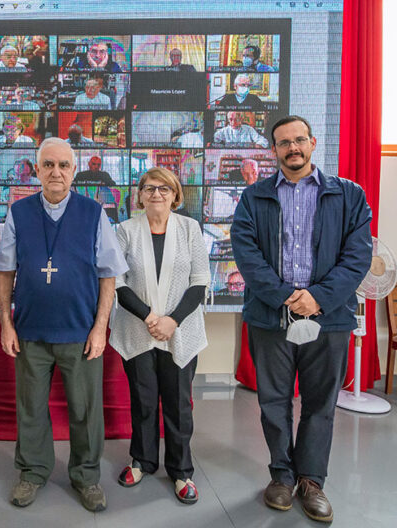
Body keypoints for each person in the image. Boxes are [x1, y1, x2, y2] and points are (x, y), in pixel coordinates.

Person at [231, 116, 372, 523]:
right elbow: (246, 254)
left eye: (299, 140)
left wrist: (318, 299)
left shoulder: (349, 195)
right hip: (269, 317)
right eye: (283, 143)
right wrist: (287, 297)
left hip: (329, 319)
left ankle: (311, 480)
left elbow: (358, 256)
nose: (292, 148)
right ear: (273, 150)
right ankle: (281, 475)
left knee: (319, 403)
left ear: (312, 143)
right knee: (273, 402)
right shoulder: (253, 197)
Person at [0, 137, 128, 513]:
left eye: (64, 165)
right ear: (37, 170)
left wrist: (100, 327)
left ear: (74, 170)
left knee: (86, 410)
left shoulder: (93, 213)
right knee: (31, 408)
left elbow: (108, 274)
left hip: (80, 332)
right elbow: (5, 271)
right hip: (30, 332)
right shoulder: (18, 212)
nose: (56, 172)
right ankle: (32, 472)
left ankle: (86, 476)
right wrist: (6, 323)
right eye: (48, 165)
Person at [110, 166, 209, 504]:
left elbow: (199, 281)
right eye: (149, 188)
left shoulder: (190, 229)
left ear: (175, 195)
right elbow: (117, 281)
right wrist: (151, 318)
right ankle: (142, 460)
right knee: (144, 400)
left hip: (180, 332)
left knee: (179, 404)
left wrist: (172, 321)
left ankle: (181, 471)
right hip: (137, 330)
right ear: (139, 195)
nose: (156, 194)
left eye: (164, 188)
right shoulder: (125, 230)